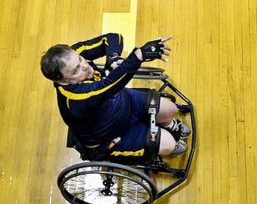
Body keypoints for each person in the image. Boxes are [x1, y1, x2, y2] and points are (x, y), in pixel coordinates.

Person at [41, 33, 190, 160]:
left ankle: (169, 125)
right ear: (62, 81)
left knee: (171, 109)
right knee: (169, 144)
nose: (85, 66)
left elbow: (112, 38)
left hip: (122, 102)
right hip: (112, 136)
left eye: (80, 59)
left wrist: (113, 56)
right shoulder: (74, 98)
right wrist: (139, 55)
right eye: (75, 71)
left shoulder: (71, 55)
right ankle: (166, 142)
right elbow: (108, 86)